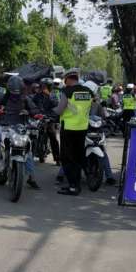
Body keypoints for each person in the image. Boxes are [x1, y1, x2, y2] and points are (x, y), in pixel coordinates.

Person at [0, 75, 40, 190]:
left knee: (27, 151)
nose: (15, 94)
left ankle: (31, 177)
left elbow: (35, 110)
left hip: (20, 128)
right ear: (9, 88)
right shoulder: (4, 97)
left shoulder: (25, 99)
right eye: (13, 91)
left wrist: (31, 113)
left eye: (17, 91)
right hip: (4, 126)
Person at [52, 68, 92, 196]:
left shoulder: (67, 91)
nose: (65, 82)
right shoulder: (88, 91)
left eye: (65, 80)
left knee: (67, 158)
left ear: (69, 79)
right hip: (83, 128)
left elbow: (60, 110)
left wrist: (50, 112)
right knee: (78, 158)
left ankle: (73, 186)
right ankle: (77, 184)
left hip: (69, 129)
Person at [33, 78, 60, 165]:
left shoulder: (53, 95)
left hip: (50, 118)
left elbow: (56, 105)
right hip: (39, 118)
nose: (43, 87)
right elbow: (32, 104)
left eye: (45, 86)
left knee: (53, 137)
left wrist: (48, 95)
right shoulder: (37, 95)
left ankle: (57, 158)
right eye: (42, 86)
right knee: (32, 134)